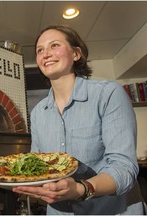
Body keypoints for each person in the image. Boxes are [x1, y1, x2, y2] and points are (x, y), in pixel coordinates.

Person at [12, 25, 147, 214]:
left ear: (76, 54)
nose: (46, 54)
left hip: (111, 210)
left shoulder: (108, 94)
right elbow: (39, 165)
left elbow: (124, 168)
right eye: (40, 50)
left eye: (54, 45)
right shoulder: (37, 113)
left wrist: (81, 189)